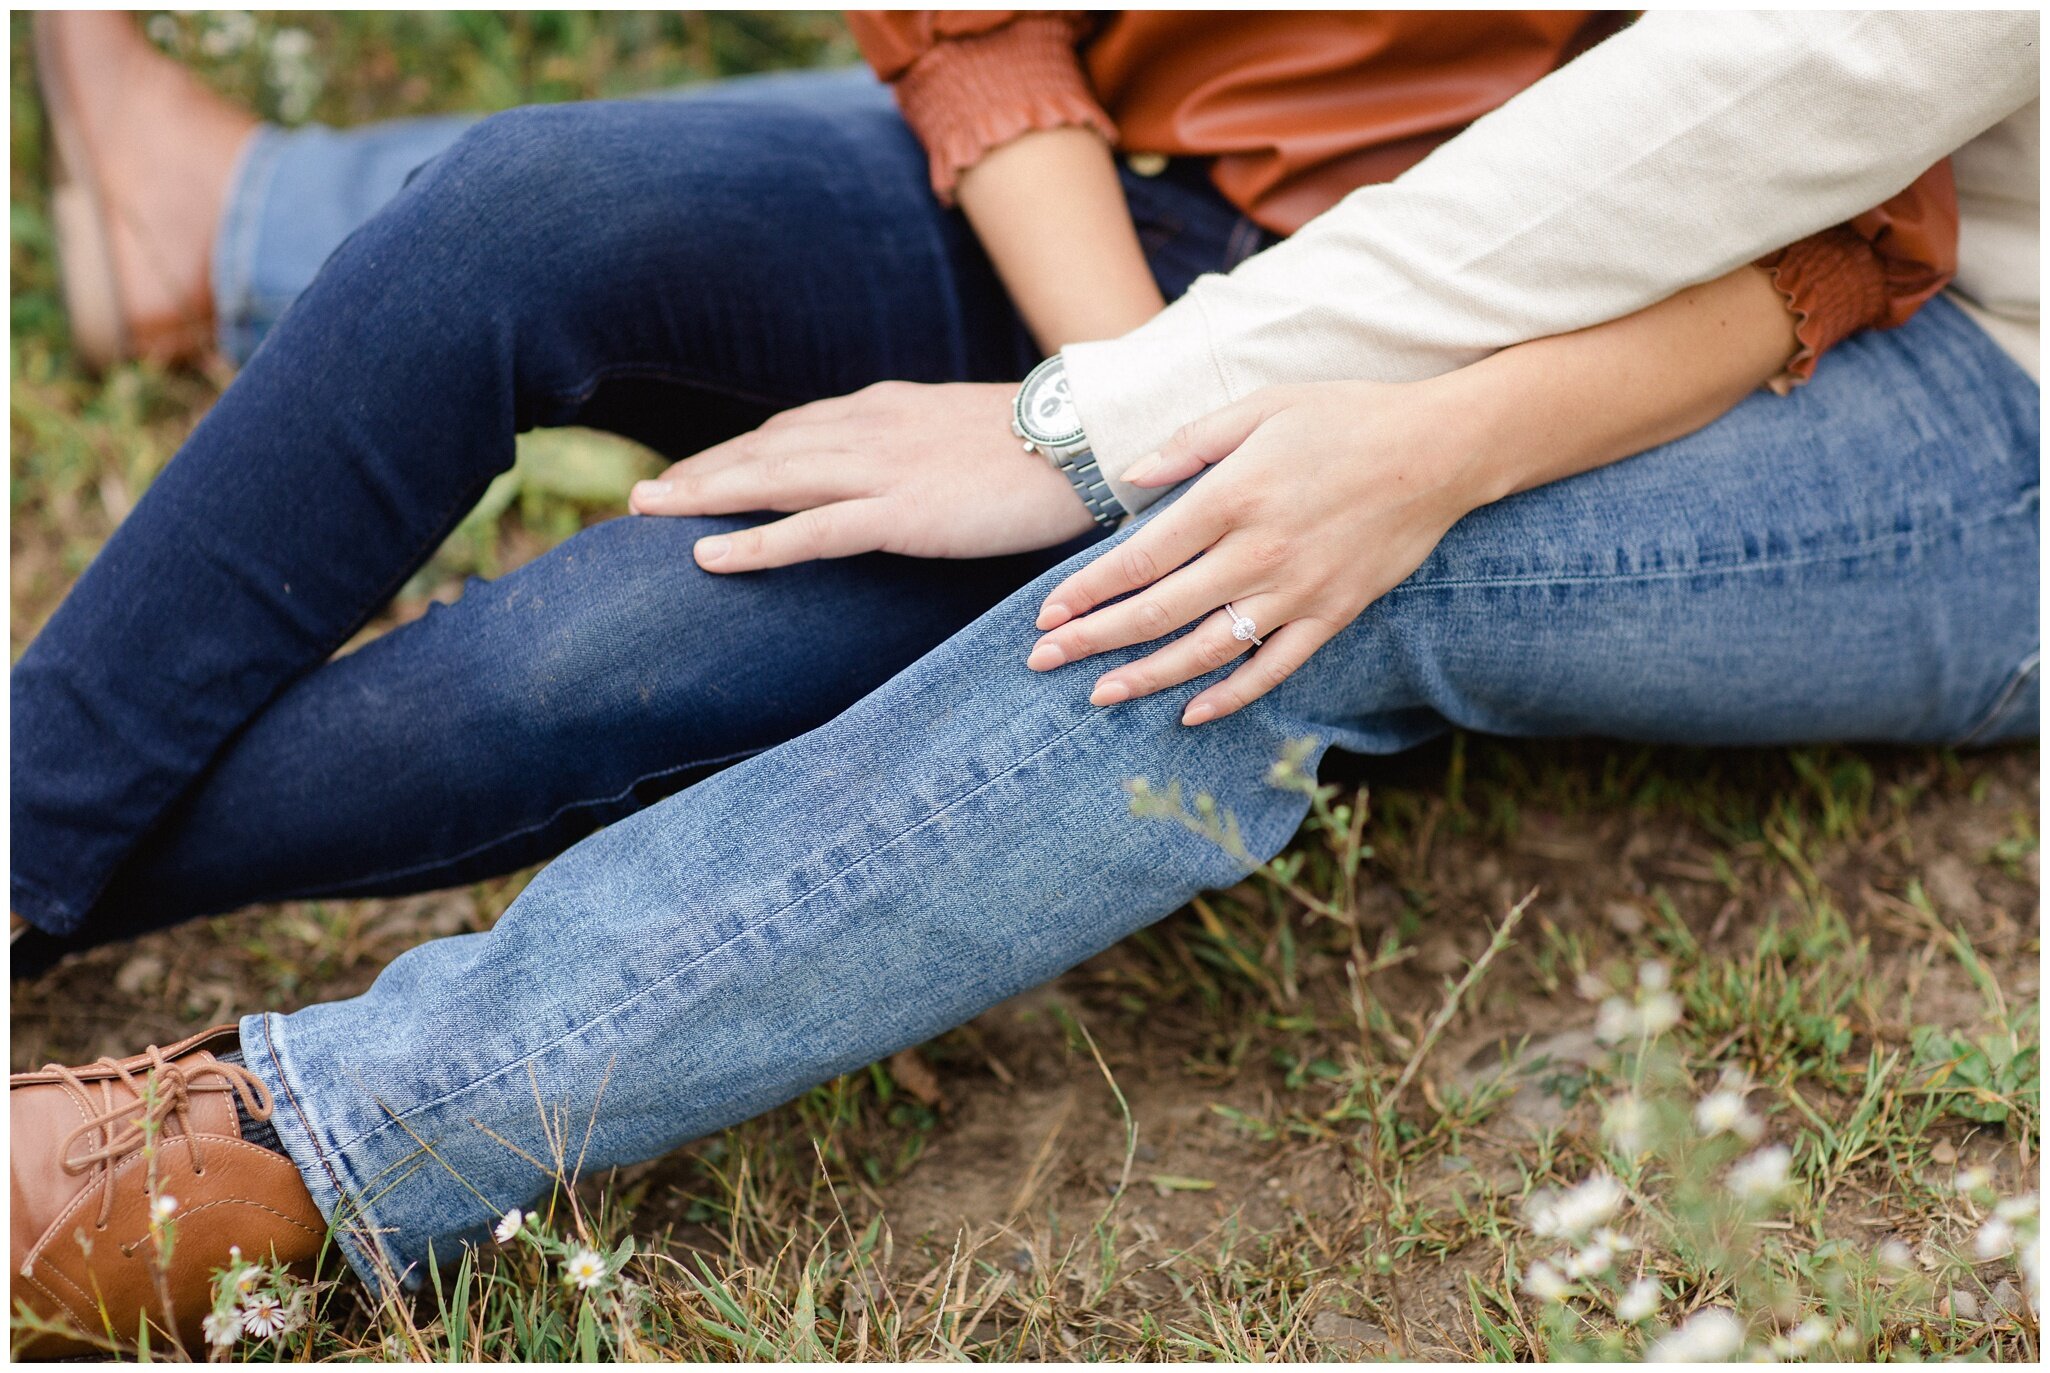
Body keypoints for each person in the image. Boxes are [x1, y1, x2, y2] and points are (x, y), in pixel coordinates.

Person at [11, 9, 2037, 1356]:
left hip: (1631, 316)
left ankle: (306, 1146)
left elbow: (1825, 196)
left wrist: (1166, 442)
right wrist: (1110, 391)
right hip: (1169, 220)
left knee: (627, 649)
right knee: (532, 211)